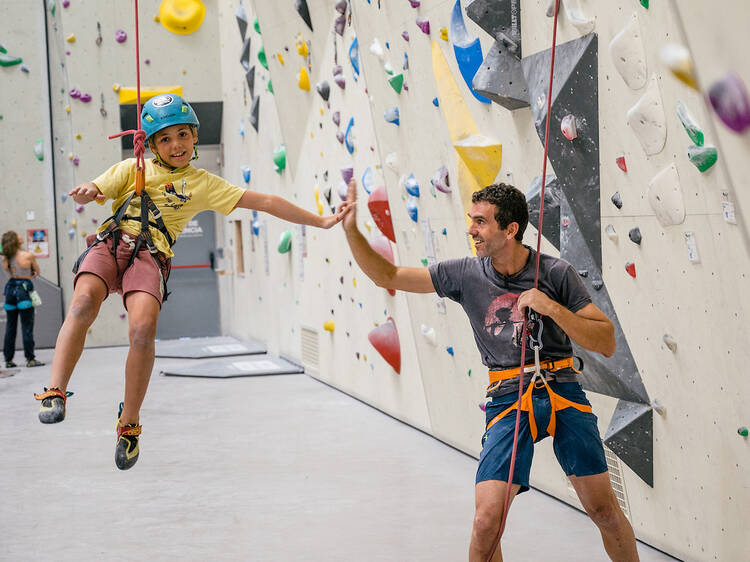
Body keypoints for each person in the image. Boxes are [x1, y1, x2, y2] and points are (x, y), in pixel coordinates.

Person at [35, 94, 352, 471]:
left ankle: (129, 424)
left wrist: (320, 221)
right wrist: (89, 190)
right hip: (113, 242)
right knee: (83, 303)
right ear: (150, 145)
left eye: (183, 135)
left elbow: (264, 201)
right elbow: (98, 186)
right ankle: (55, 391)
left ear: (194, 137)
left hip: (150, 256)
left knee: (142, 329)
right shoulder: (131, 168)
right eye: (165, 139)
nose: (176, 145)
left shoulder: (202, 183)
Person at [341, 179, 639, 561]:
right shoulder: (465, 273)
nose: (471, 230)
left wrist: (552, 308)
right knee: (486, 522)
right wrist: (352, 232)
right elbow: (389, 276)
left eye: (480, 222)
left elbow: (606, 341)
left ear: (510, 229)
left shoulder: (556, 273)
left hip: (562, 389)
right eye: (471, 220)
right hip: (507, 397)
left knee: (603, 511)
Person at [2, 231, 45, 369]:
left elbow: (10, 272)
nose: (20, 236)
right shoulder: (28, 255)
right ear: (15, 240)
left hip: (10, 291)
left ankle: (8, 360)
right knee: (27, 327)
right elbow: (37, 272)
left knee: (10, 327)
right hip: (24, 291)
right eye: (18, 235)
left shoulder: (6, 258)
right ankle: (30, 359)